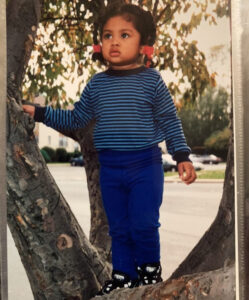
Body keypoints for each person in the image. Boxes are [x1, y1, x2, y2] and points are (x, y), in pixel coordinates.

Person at [23, 3, 196, 296]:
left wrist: (181, 156)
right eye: (107, 35)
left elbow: (169, 119)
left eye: (125, 35)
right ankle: (124, 276)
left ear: (144, 44)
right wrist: (40, 113)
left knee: (143, 223)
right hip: (111, 168)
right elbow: (76, 118)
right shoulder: (97, 85)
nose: (114, 41)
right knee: (118, 227)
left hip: (145, 165)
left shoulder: (152, 81)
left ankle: (150, 272)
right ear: (99, 43)